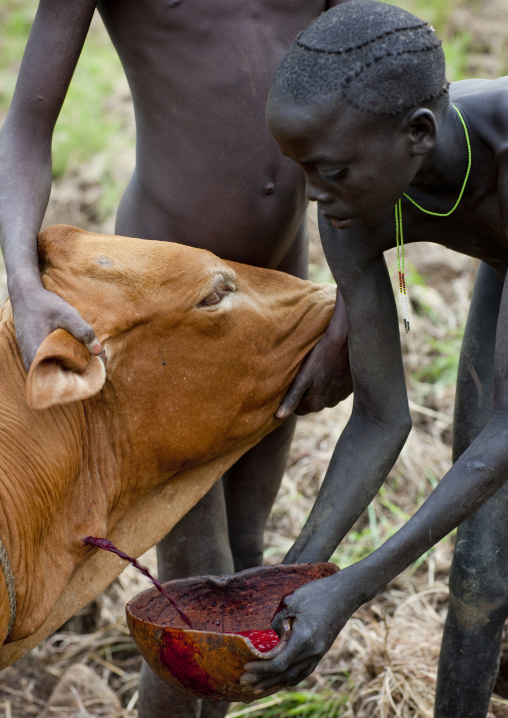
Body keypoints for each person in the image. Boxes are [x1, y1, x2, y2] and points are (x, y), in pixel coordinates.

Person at [0, 2, 352, 717]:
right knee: (194, 586)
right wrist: (23, 284)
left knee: (244, 573)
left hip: (280, 296)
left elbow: (360, 113)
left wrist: (355, 297)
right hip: (169, 322)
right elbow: (26, 131)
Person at [241, 2, 508, 716]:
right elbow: (381, 417)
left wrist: (353, 586)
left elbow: (502, 441)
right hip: (501, 249)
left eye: (327, 171)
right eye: (300, 170)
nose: (311, 195)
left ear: (417, 134)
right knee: (482, 563)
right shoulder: (352, 200)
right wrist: (296, 576)